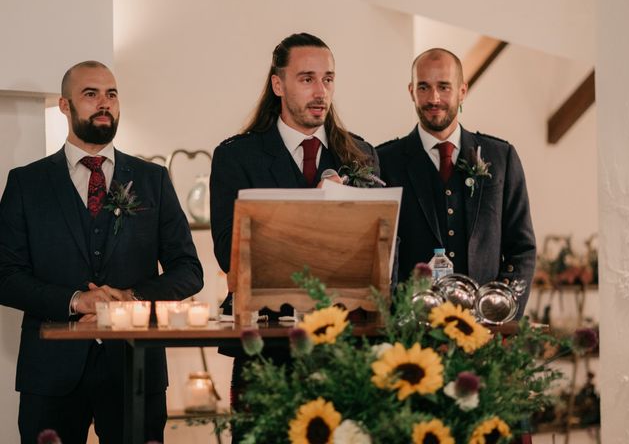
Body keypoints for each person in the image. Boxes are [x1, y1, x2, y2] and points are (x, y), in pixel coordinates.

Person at [0, 61, 204, 443]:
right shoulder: (26, 183)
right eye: (90, 94)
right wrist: (76, 300)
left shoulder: (153, 180)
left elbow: (188, 269)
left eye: (111, 94)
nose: (104, 103)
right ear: (65, 105)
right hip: (50, 373)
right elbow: (5, 276)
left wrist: (131, 298)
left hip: (135, 368)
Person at [377, 48, 535, 315]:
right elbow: (379, 252)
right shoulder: (385, 161)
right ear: (411, 91)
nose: (434, 98)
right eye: (424, 87)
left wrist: (503, 311)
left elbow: (522, 248)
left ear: (462, 91)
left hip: (486, 329)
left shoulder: (501, 157)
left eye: (444, 87)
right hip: (411, 328)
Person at [210, 32, 380, 280]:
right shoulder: (236, 157)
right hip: (264, 314)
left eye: (328, 79)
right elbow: (228, 256)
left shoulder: (362, 155)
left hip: (343, 311)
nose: (321, 92)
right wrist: (312, 210)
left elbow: (381, 250)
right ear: (278, 85)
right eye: (307, 79)